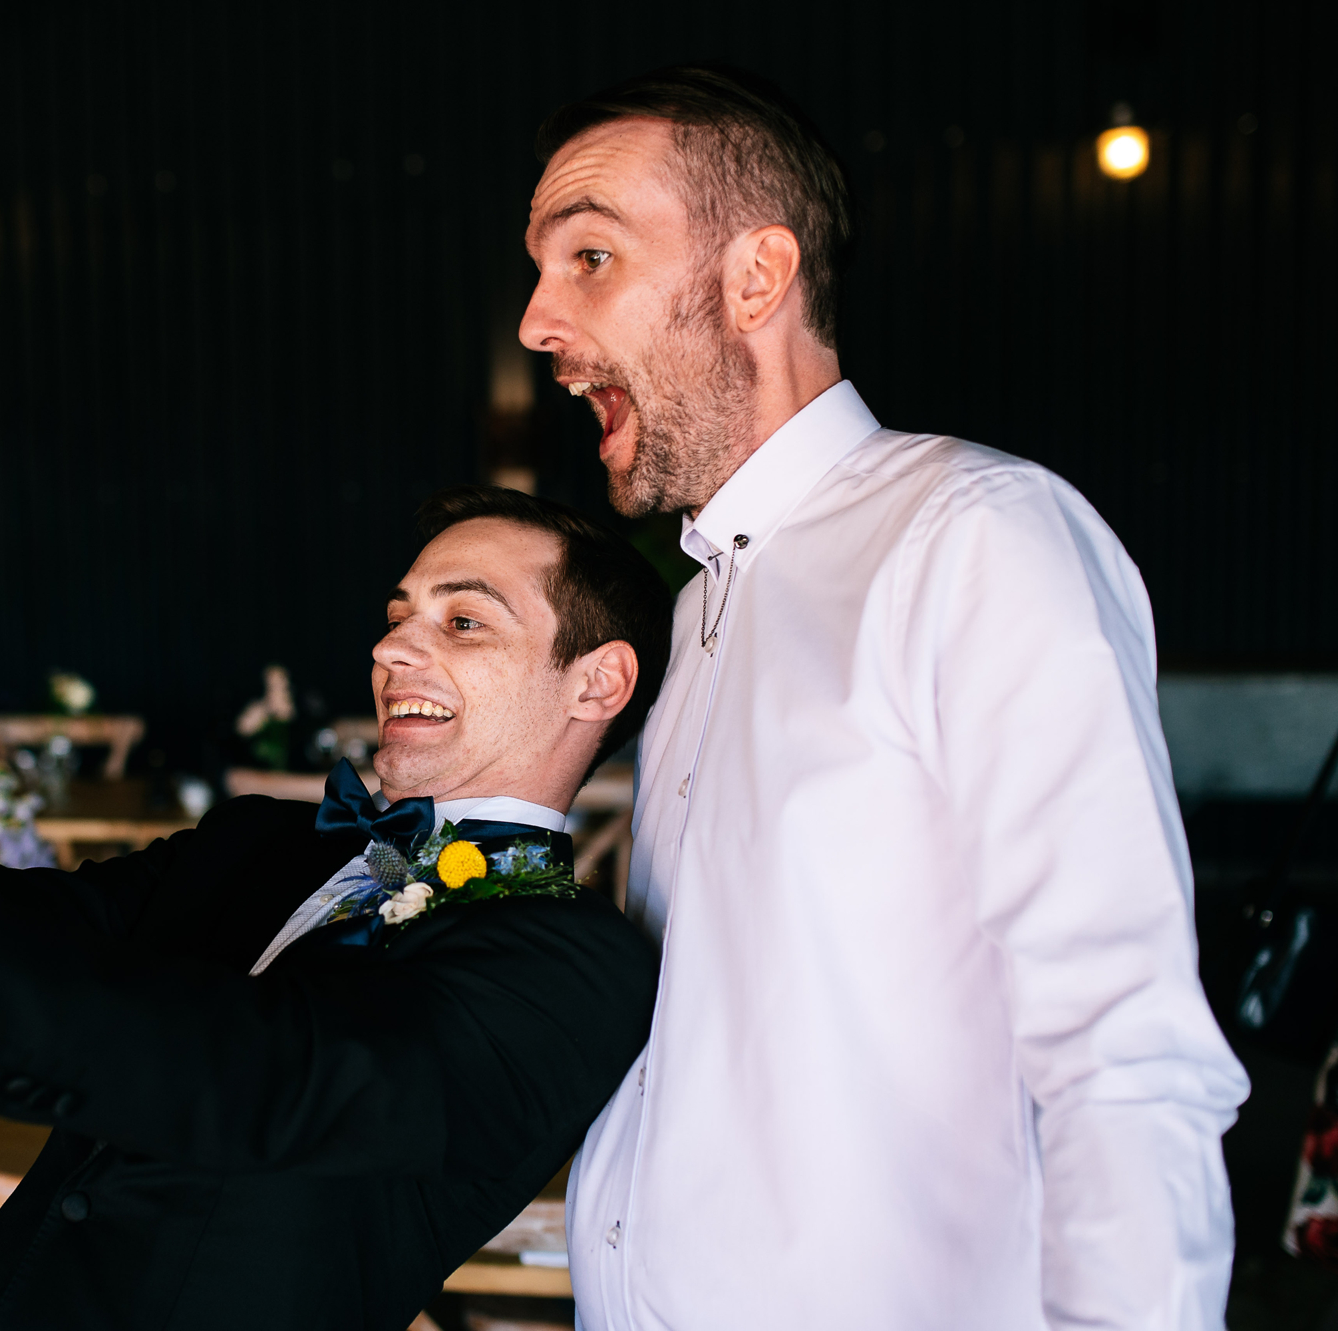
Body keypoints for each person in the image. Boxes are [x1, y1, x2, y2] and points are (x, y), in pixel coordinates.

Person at [518, 65, 1250, 1330]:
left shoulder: (970, 536)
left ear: (756, 279)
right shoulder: (701, 606)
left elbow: (1121, 1053)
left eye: (587, 256)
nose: (536, 320)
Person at [0, 486, 672, 1331]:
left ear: (596, 682)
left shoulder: (574, 969)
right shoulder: (258, 841)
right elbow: (42, 926)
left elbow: (267, 1074)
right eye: (396, 616)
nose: (392, 647)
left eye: (463, 622)